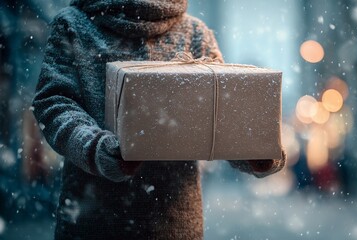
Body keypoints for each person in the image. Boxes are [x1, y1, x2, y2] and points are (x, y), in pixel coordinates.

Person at [32, 0, 285, 239]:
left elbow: (217, 119)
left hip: (171, 222)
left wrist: (255, 150)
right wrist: (95, 147)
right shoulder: (73, 24)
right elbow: (54, 102)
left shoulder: (195, 32)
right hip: (94, 220)